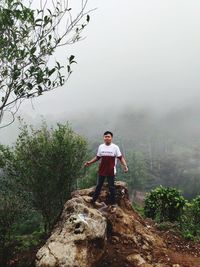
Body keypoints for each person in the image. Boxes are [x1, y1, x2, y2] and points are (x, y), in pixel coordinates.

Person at [84, 131, 128, 211]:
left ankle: (113, 204)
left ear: (111, 138)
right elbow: (97, 157)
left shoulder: (115, 147)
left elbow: (120, 158)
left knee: (111, 187)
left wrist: (125, 166)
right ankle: (93, 200)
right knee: (98, 186)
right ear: (103, 138)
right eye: (105, 136)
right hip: (102, 170)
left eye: (108, 136)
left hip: (111, 171)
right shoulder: (101, 147)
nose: (107, 138)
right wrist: (89, 162)